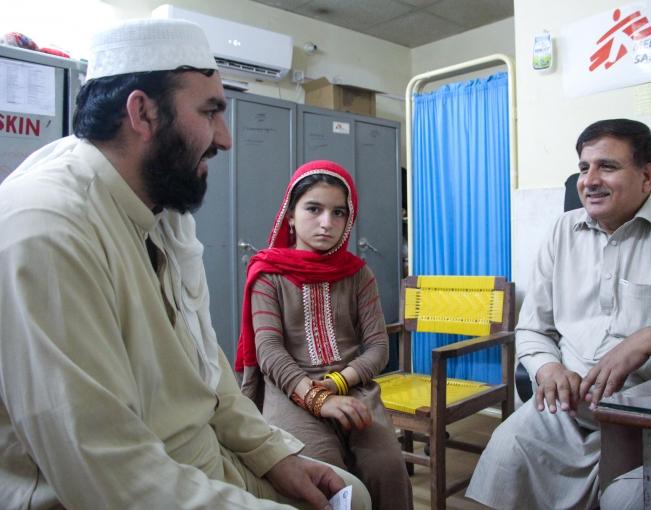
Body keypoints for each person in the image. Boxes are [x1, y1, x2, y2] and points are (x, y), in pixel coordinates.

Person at [0, 19, 371, 510]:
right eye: (210, 110)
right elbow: (110, 476)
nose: (225, 137)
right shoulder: (46, 228)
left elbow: (205, 369)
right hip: (122, 487)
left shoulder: (162, 210)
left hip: (200, 458)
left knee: (353, 495)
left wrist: (277, 457)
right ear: (143, 112)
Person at [466, 118, 651, 510]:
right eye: (583, 167)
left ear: (647, 175)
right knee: (503, 458)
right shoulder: (562, 231)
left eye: (606, 166)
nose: (589, 180)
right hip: (572, 409)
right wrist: (547, 369)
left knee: (628, 500)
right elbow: (532, 328)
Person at [236, 160, 414, 510]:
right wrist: (318, 399)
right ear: (290, 215)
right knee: (324, 477)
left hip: (352, 389)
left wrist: (336, 384)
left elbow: (378, 346)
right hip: (290, 391)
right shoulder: (268, 274)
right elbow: (269, 351)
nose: (326, 223)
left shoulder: (358, 274)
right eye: (313, 209)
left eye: (338, 213)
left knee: (387, 468)